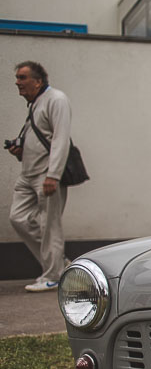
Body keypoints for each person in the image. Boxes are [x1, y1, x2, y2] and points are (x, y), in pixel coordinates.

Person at [7, 61, 71, 292]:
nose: (17, 82)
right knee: (18, 218)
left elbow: (61, 139)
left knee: (50, 226)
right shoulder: (35, 103)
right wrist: (20, 152)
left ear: (38, 81)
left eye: (22, 77)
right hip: (28, 174)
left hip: (46, 175)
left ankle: (54, 276)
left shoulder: (57, 100)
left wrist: (53, 175)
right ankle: (59, 262)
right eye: (17, 77)